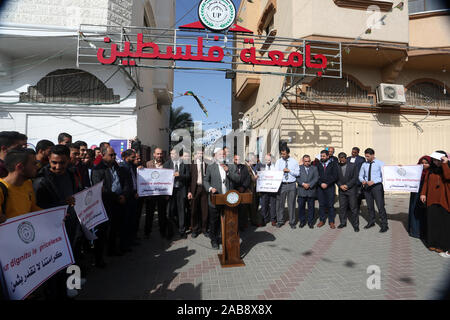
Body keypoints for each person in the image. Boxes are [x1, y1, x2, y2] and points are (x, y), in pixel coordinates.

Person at [33, 145, 81, 299]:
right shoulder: (40, 179)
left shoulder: (71, 173)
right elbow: (37, 208)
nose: (57, 166)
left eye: (62, 163)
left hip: (69, 225)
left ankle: (70, 285)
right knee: (53, 266)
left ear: (68, 161)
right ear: (49, 160)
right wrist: (60, 206)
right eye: (54, 162)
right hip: (50, 231)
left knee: (70, 257)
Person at [91, 145, 130, 262]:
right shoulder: (98, 170)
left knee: (116, 227)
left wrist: (124, 195)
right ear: (102, 155)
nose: (114, 157)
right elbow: (100, 188)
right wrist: (116, 197)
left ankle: (112, 249)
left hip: (119, 202)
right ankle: (99, 258)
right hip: (106, 203)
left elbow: (126, 182)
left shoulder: (118, 167)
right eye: (111, 155)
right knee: (102, 231)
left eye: (114, 155)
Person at [420, 151, 450, 257]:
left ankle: (442, 246)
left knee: (444, 224)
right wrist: (423, 194)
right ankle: (432, 243)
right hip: (432, 200)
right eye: (434, 160)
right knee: (433, 222)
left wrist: (445, 163)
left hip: (444, 200)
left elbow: (448, 177)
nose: (436, 162)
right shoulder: (430, 170)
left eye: (439, 160)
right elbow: (426, 183)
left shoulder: (446, 168)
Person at [203, 148, 234, 249]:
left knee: (226, 220)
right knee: (214, 221)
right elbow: (205, 181)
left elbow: (237, 178)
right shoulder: (211, 167)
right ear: (215, 156)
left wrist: (228, 171)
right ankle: (214, 240)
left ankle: (223, 237)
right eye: (219, 154)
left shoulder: (230, 165)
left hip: (228, 199)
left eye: (223, 154)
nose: (222, 155)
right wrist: (210, 188)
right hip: (215, 199)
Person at [0, 149, 41, 223]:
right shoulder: (1, 189)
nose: (37, 167)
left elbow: (33, 209)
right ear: (20, 167)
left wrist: (55, 215)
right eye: (34, 164)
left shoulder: (28, 183)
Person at [359, 148, 388, 233]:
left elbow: (384, 176)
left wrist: (374, 181)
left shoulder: (380, 163)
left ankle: (384, 225)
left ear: (373, 155)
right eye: (366, 156)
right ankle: (371, 222)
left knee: (380, 206)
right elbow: (360, 175)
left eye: (368, 156)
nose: (366, 158)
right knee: (370, 206)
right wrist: (362, 180)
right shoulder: (364, 164)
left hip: (377, 187)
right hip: (367, 187)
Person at [164, 149, 190, 239]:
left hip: (181, 190)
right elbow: (163, 177)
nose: (171, 155)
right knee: (170, 212)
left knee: (181, 211)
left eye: (173, 153)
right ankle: (170, 231)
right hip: (170, 191)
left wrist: (180, 175)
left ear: (178, 154)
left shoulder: (184, 163)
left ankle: (182, 231)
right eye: (170, 153)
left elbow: (188, 176)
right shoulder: (167, 164)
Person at [145, 148, 169, 239]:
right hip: (151, 194)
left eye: (161, 154)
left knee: (162, 214)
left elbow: (168, 179)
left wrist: (167, 193)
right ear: (154, 154)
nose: (159, 155)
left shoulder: (166, 164)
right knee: (149, 213)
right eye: (157, 154)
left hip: (162, 193)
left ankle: (162, 231)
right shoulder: (148, 164)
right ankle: (147, 232)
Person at [275, 145, 299, 229]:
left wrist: (289, 171)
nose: (283, 156)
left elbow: (297, 173)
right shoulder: (278, 161)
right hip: (282, 185)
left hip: (292, 184)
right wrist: (282, 171)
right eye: (281, 154)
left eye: (284, 154)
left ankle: (292, 222)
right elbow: (275, 172)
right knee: (280, 204)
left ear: (288, 153)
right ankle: (280, 221)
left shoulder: (294, 162)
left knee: (291, 204)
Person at [408, 156, 431, 239]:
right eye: (422, 163)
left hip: (426, 194)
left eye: (426, 163)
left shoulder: (431, 172)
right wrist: (400, 168)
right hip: (416, 193)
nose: (424, 165)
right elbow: (406, 174)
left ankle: (424, 232)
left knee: (424, 212)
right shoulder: (416, 171)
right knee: (415, 210)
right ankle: (415, 231)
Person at [120, 149, 140, 246]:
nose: (134, 158)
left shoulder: (132, 166)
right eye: (132, 157)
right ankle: (125, 243)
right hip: (127, 197)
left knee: (132, 220)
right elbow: (125, 185)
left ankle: (131, 239)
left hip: (134, 196)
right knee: (126, 221)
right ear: (127, 157)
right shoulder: (122, 167)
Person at [336, 152, 360, 232]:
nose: (341, 159)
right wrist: (340, 185)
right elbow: (336, 178)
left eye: (343, 157)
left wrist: (347, 185)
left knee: (353, 208)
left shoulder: (353, 165)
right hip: (341, 190)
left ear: (346, 158)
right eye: (340, 158)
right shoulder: (337, 166)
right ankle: (343, 223)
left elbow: (355, 177)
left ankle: (356, 225)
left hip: (351, 190)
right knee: (342, 208)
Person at [316, 149, 339, 229]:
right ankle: (322, 220)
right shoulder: (318, 164)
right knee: (321, 205)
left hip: (330, 187)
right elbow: (316, 176)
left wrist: (327, 183)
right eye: (321, 156)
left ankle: (331, 221)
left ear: (328, 156)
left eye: (324, 156)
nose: (322, 157)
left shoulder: (333, 164)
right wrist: (321, 183)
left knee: (330, 205)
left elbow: (335, 176)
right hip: (320, 188)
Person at [188, 150, 209, 238]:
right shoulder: (191, 164)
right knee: (194, 210)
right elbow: (189, 179)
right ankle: (194, 229)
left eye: (202, 153)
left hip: (204, 189)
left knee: (204, 210)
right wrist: (189, 191)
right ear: (195, 154)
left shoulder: (207, 164)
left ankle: (204, 229)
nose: (200, 154)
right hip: (195, 189)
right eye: (199, 153)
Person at [254, 154, 278, 226]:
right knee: (264, 205)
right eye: (266, 160)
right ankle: (264, 219)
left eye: (269, 160)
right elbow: (255, 172)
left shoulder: (275, 166)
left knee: (273, 205)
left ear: (271, 160)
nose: (267, 161)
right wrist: (256, 175)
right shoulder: (260, 165)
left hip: (273, 189)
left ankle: (273, 220)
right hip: (264, 189)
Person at [296, 155, 319, 229]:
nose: (307, 162)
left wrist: (310, 184)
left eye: (308, 161)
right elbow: (297, 178)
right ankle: (302, 222)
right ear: (303, 161)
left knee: (311, 208)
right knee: (301, 208)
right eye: (305, 161)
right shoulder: (299, 168)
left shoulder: (314, 168)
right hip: (301, 191)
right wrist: (303, 184)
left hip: (311, 191)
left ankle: (310, 222)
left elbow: (316, 178)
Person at [230, 154, 251, 231]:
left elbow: (248, 178)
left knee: (243, 209)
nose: (237, 161)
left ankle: (242, 225)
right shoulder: (231, 167)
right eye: (236, 159)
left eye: (238, 159)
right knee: (235, 209)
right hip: (234, 190)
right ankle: (235, 225)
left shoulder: (244, 167)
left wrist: (243, 187)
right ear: (233, 160)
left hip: (243, 190)